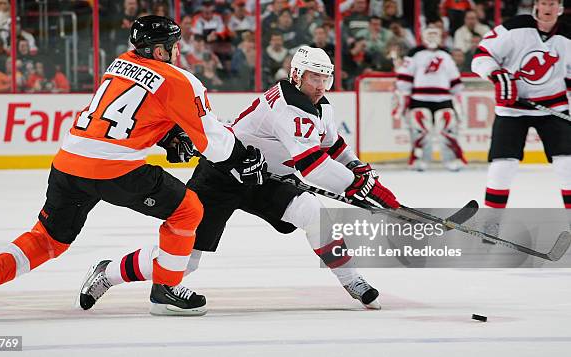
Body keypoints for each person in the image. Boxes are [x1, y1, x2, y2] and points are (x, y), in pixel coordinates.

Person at [0, 15, 267, 316]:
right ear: (160, 51)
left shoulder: (119, 63)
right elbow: (214, 142)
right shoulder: (180, 80)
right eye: (174, 45)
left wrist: (168, 136)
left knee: (49, 238)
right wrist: (241, 157)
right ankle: (165, 291)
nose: (178, 51)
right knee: (188, 210)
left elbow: (131, 113)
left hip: (68, 162)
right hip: (115, 170)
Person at [77, 46, 401, 312]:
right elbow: (314, 165)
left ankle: (351, 279)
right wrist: (359, 187)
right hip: (221, 174)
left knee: (314, 213)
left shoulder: (320, 107)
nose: (320, 85)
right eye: (314, 77)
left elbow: (334, 146)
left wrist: (362, 172)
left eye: (325, 78)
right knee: (185, 262)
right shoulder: (288, 108)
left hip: (265, 177)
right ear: (297, 76)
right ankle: (108, 273)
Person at [471, 0, 570, 211]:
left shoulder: (568, 35)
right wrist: (496, 75)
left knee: (568, 165)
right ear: (536, 5)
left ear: (559, 7)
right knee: (502, 166)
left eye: (552, 3)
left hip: (554, 108)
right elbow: (481, 56)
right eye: (544, 2)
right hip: (512, 108)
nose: (547, 8)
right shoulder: (515, 27)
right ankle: (491, 224)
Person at [395, 27, 467, 171]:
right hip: (419, 98)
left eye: (436, 34)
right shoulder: (415, 54)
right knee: (421, 131)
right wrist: (405, 95)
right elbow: (404, 78)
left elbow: (454, 78)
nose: (433, 38)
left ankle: (450, 160)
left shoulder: (446, 55)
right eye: (430, 34)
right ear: (423, 36)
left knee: (448, 130)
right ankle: (420, 160)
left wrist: (456, 93)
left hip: (444, 98)